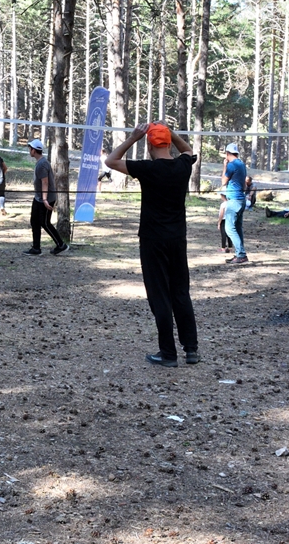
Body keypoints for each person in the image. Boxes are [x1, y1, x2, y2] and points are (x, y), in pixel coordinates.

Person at [104, 122, 199, 368]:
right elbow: (188, 150)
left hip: (153, 239)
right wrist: (172, 133)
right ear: (168, 143)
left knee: (160, 296)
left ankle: (168, 353)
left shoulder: (147, 168)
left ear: (149, 145)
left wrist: (132, 138)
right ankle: (191, 349)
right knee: (180, 292)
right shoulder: (182, 166)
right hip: (177, 238)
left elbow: (111, 161)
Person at [23, 138, 67, 255]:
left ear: (34, 151)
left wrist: (44, 199)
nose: (29, 150)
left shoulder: (42, 164)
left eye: (30, 148)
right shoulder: (41, 162)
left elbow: (45, 182)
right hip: (39, 197)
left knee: (45, 223)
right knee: (34, 221)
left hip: (45, 198)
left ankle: (61, 245)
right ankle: (36, 248)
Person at [220, 143, 248, 264]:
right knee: (237, 228)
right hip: (241, 199)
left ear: (227, 153)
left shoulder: (231, 165)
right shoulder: (242, 164)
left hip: (234, 201)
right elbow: (244, 184)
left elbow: (223, 181)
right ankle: (239, 254)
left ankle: (241, 254)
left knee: (229, 228)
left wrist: (225, 166)